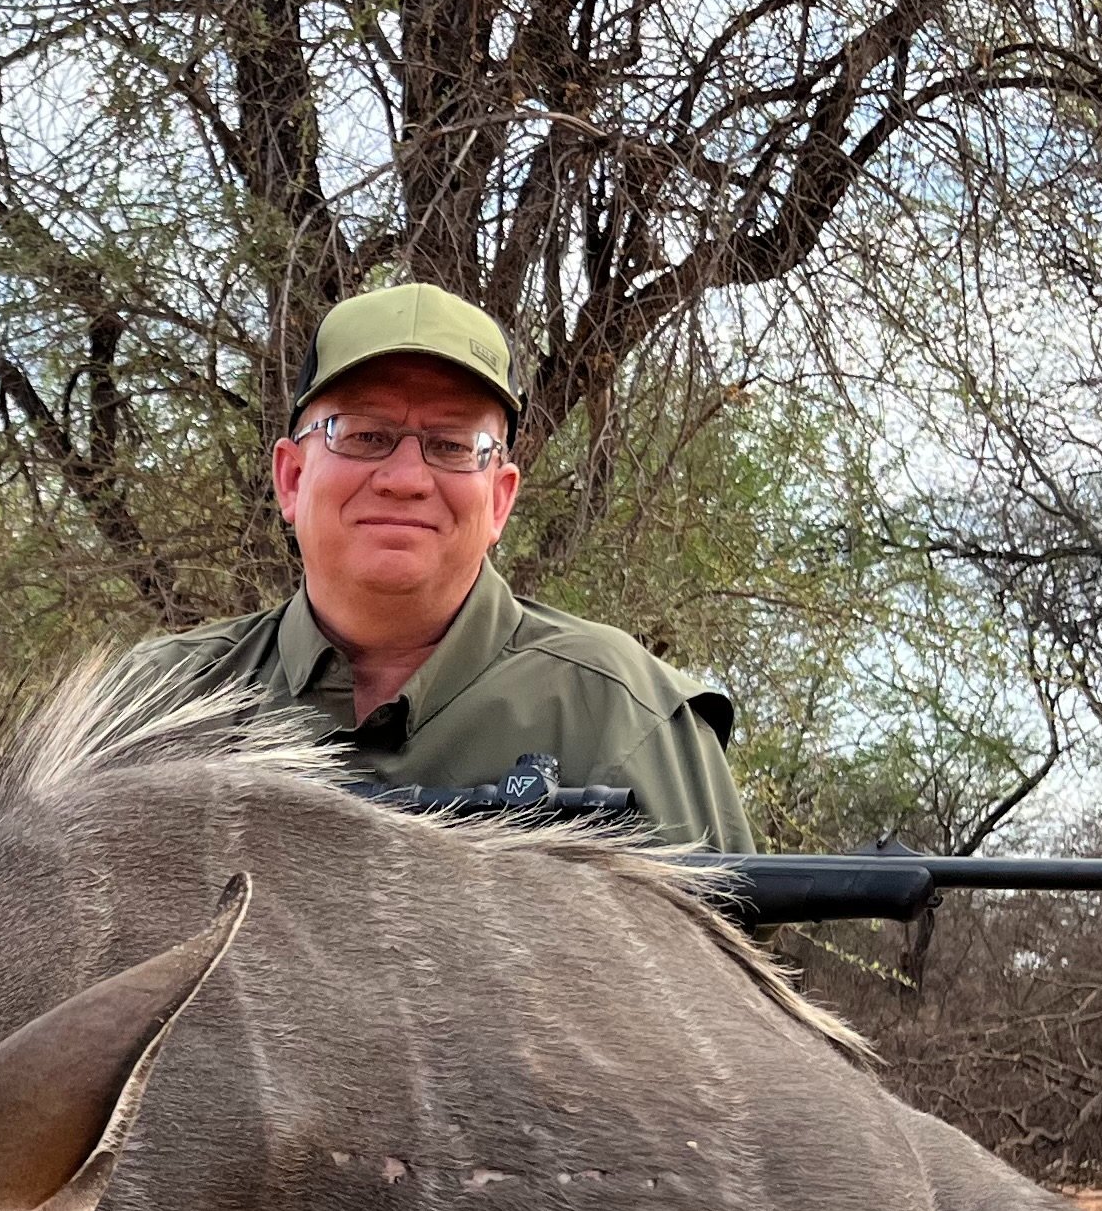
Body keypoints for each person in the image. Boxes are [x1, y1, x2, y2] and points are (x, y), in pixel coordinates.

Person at [158, 279, 753, 851]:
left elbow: (718, 952)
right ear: (290, 478)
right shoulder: (160, 702)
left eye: (452, 446)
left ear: (499, 499)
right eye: (365, 435)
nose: (406, 479)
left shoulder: (622, 713)